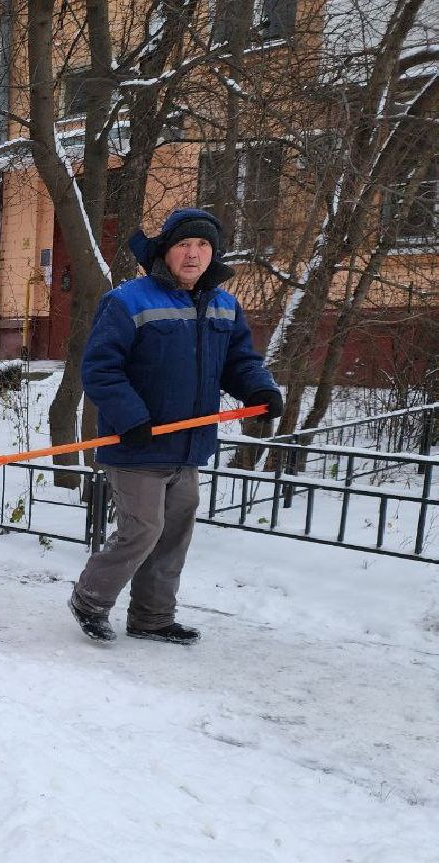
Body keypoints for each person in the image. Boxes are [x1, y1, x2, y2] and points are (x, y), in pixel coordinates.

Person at [68, 207, 283, 645]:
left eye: (203, 245)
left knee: (173, 536)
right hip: (137, 443)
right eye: (184, 244)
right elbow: (101, 369)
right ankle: (89, 600)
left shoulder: (224, 305)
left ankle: (152, 618)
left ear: (214, 254)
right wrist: (132, 418)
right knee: (142, 529)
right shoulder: (127, 301)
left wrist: (259, 390)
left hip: (187, 446)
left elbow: (240, 362)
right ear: (165, 251)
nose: (193, 253)